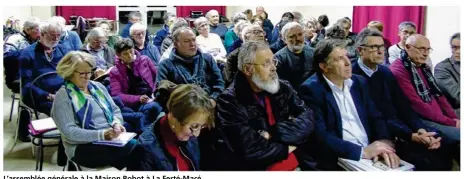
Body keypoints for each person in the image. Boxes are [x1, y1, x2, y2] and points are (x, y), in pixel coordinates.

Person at [352, 28, 454, 170]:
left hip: (400, 128)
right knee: (425, 162)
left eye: (382, 46)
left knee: (441, 145)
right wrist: (409, 135)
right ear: (360, 50)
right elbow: (373, 116)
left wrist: (420, 129)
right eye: (374, 47)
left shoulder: (385, 72)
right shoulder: (351, 76)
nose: (381, 51)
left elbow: (403, 106)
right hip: (378, 134)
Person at [298, 39, 399, 170]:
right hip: (341, 156)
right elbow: (320, 136)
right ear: (323, 66)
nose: (347, 63)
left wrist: (384, 143)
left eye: (347, 56)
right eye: (339, 59)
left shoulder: (359, 82)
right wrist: (362, 152)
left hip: (371, 151)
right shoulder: (311, 90)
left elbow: (376, 117)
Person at [215, 41, 314, 170]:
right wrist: (287, 147)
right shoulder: (229, 101)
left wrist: (274, 133)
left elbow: (308, 117)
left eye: (274, 61)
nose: (274, 68)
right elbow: (249, 150)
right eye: (266, 63)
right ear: (248, 69)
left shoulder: (282, 87)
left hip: (295, 159)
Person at [51, 51, 136, 170]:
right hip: (81, 147)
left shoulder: (98, 87)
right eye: (82, 73)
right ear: (69, 73)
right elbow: (69, 132)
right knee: (136, 150)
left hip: (109, 139)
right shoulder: (63, 96)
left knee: (142, 148)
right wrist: (101, 135)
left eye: (89, 72)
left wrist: (116, 123)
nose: (87, 76)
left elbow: (115, 110)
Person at [389, 34, 460, 142]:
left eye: (428, 49)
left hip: (439, 118)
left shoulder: (423, 67)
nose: (426, 53)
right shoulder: (399, 69)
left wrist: (456, 119)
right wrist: (452, 122)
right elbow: (416, 104)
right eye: (422, 49)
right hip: (421, 120)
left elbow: (439, 97)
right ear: (408, 47)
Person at [129, 82, 215, 171]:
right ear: (174, 117)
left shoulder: (188, 133)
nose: (197, 134)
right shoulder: (144, 150)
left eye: (201, 126)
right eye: (194, 126)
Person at [18, 20, 71, 142]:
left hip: (61, 92)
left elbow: (70, 72)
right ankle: (65, 148)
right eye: (52, 35)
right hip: (38, 95)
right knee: (64, 111)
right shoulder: (28, 54)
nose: (56, 38)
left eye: (59, 35)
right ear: (41, 34)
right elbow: (27, 85)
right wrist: (49, 96)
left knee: (82, 104)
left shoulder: (63, 50)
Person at [156, 26, 225, 105]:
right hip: (181, 108)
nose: (192, 44)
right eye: (186, 41)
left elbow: (219, 83)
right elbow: (159, 93)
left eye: (194, 40)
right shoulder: (166, 65)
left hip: (209, 103)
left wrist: (213, 99)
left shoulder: (207, 59)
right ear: (175, 44)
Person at [110, 38, 162, 131]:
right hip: (134, 102)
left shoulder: (145, 60)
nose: (130, 55)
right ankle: (146, 133)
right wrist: (138, 98)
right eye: (125, 54)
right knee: (153, 108)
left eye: (131, 51)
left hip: (152, 95)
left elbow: (158, 77)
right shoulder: (115, 72)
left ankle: (145, 130)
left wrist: (155, 92)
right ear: (118, 55)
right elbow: (117, 94)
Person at [4, 17, 41, 93]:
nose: (40, 33)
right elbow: (6, 58)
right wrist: (29, 52)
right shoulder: (15, 39)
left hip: (34, 74)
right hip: (18, 77)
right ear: (28, 30)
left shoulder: (35, 40)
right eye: (37, 30)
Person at [275, 22, 315, 89]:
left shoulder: (314, 53)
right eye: (292, 36)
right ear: (284, 39)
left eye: (300, 34)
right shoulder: (279, 58)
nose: (297, 39)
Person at [435, 33, 460, 117]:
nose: (458, 51)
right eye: (454, 47)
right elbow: (458, 97)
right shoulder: (442, 68)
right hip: (456, 113)